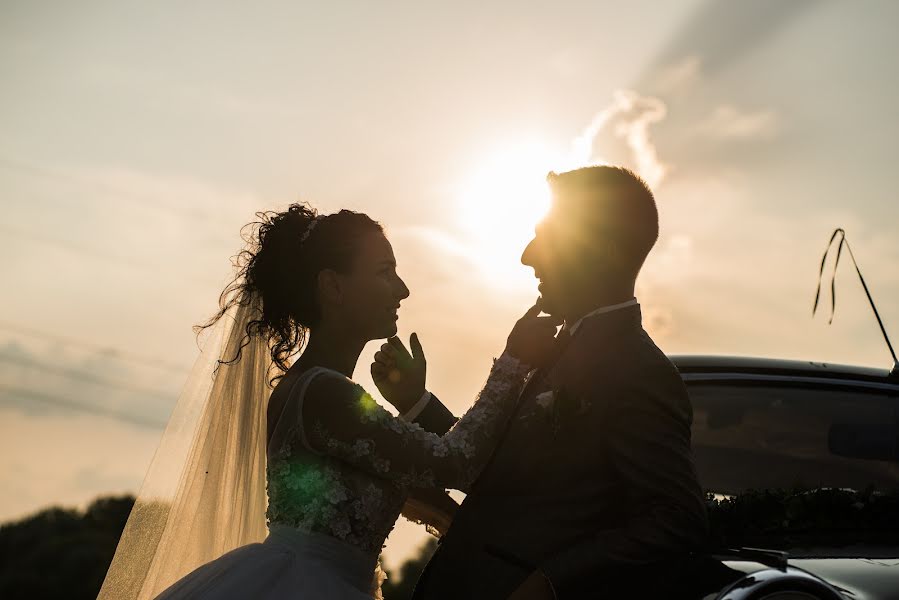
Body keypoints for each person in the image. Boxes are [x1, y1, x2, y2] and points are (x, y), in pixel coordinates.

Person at [98, 204, 561, 599]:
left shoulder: (316, 391)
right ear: (333, 287)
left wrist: (415, 405)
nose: (402, 290)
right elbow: (455, 462)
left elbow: (416, 489)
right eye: (385, 273)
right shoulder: (324, 394)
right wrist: (513, 361)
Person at [373, 166, 710, 599]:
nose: (527, 256)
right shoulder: (551, 347)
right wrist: (417, 403)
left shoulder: (640, 372)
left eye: (547, 237)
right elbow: (501, 474)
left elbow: (677, 518)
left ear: (601, 250)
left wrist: (553, 582)